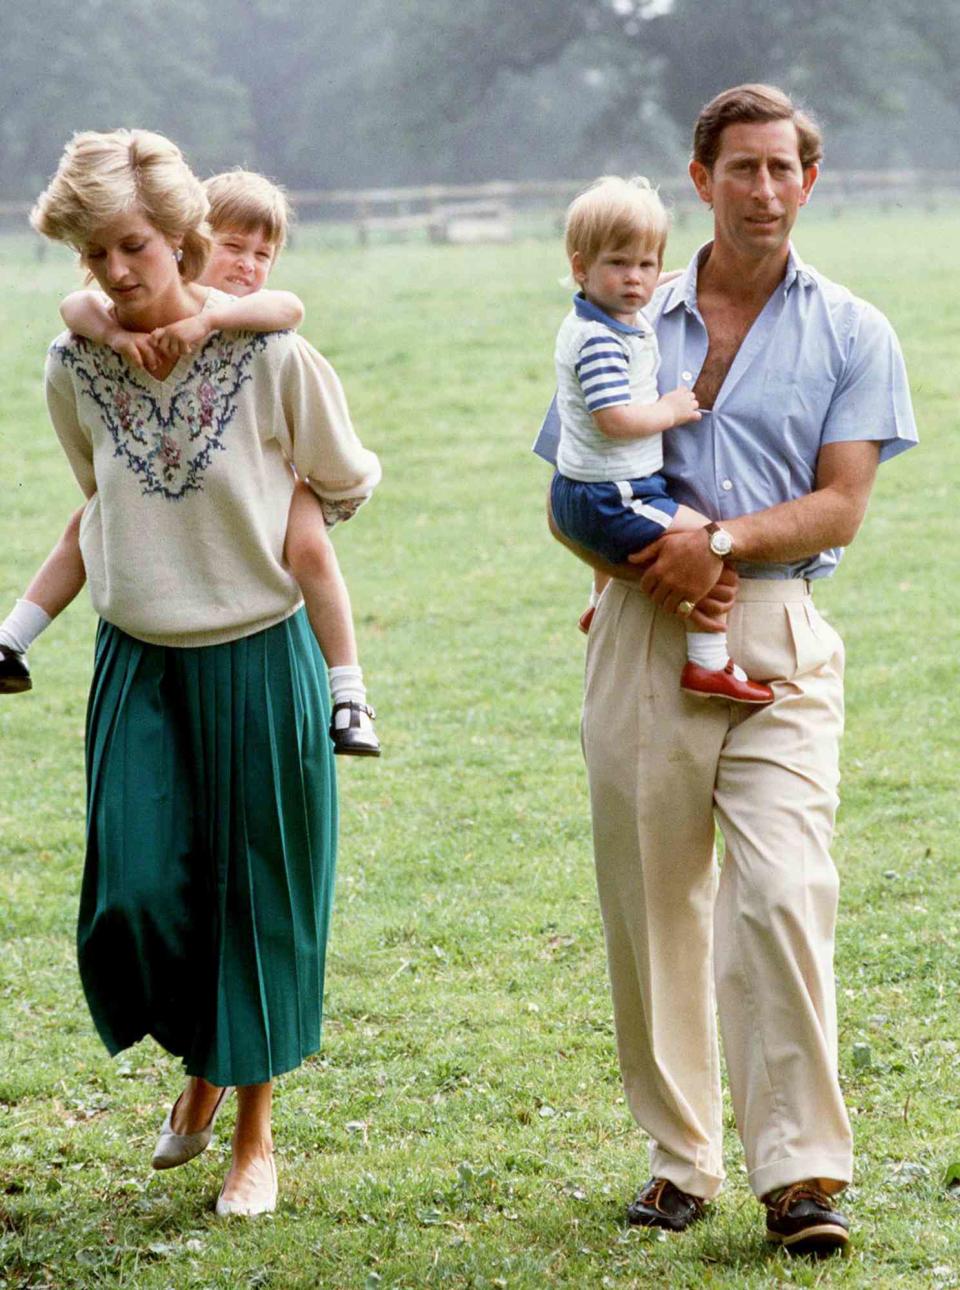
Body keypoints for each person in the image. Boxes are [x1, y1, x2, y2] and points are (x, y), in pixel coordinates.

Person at [535, 84, 917, 1255]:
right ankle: (680, 1159)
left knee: (786, 890)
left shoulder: (854, 329)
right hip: (645, 628)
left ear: (811, 181)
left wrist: (727, 542)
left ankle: (802, 1174)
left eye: (783, 169)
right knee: (652, 907)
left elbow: (843, 501)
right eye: (741, 169)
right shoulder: (626, 309)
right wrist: (646, 566)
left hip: (781, 635)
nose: (764, 189)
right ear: (701, 180)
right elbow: (568, 492)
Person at [28, 127, 381, 1217]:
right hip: (136, 660)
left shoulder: (271, 356)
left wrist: (297, 507)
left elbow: (347, 475)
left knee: (254, 900)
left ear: (180, 239)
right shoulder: (73, 363)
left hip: (257, 660)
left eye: (132, 246)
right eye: (93, 258)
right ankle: (202, 1066)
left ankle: (253, 1139)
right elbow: (99, 495)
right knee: (134, 895)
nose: (117, 273)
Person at [0, 169, 380, 755]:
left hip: (264, 567)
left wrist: (207, 318)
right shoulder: (85, 346)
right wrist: (120, 339)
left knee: (307, 546)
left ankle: (349, 691)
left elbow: (290, 307)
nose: (249, 266)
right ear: (192, 241)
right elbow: (75, 304)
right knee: (91, 516)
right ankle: (13, 639)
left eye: (263, 254)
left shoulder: (263, 332)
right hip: (140, 629)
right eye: (233, 247)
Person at [551, 174, 772, 704]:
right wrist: (670, 410)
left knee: (677, 539)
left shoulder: (607, 316)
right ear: (580, 268)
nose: (636, 280)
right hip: (613, 494)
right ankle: (708, 664)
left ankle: (598, 603)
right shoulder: (601, 341)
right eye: (618, 264)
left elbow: (646, 289)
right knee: (714, 545)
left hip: (593, 487)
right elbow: (614, 419)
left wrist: (682, 278)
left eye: (646, 265)